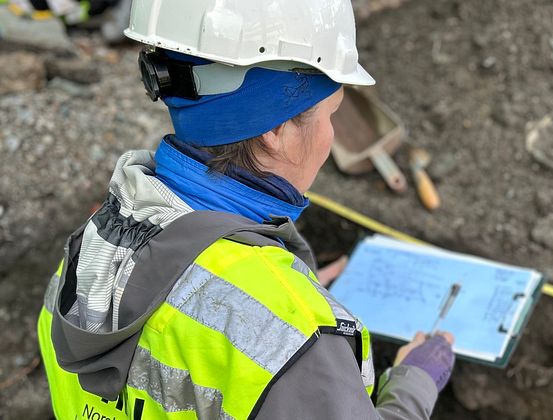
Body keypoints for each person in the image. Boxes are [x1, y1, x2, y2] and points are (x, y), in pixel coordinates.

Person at [36, 0, 456, 418]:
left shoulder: (87, 258)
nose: (329, 135)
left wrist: (275, 289)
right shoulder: (299, 343)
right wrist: (412, 386)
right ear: (275, 129)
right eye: (332, 113)